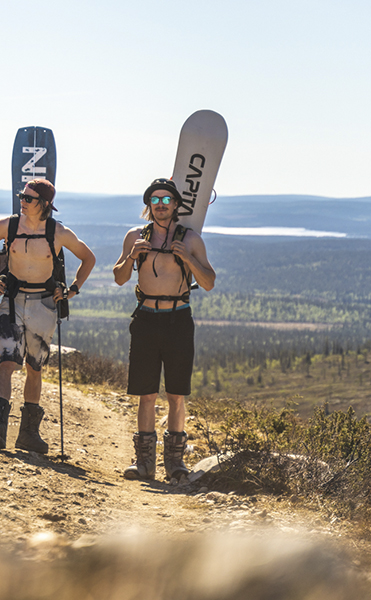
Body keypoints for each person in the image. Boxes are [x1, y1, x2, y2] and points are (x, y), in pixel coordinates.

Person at [0, 179, 96, 453]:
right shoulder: (8, 225)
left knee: (34, 366)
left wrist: (72, 290)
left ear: (44, 204)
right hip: (13, 300)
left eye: (28, 198)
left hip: (44, 303)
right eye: (22, 196)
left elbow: (88, 258)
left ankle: (28, 434)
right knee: (7, 360)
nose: (22, 201)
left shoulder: (58, 232)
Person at [112, 178, 216, 480]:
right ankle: (143, 463)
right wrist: (132, 256)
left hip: (178, 320)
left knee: (176, 394)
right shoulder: (135, 236)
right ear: (149, 205)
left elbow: (208, 282)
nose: (160, 205)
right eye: (155, 200)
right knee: (146, 393)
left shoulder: (191, 239)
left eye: (166, 200)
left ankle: (175, 463)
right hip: (145, 319)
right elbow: (119, 278)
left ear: (175, 205)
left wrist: (187, 258)